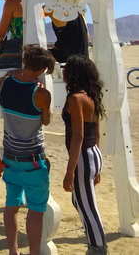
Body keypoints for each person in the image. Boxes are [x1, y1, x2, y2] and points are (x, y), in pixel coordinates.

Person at [0, 44, 54, 255]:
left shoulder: (5, 82)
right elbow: (46, 121)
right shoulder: (41, 94)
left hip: (10, 159)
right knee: (36, 212)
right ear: (42, 69)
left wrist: (7, 77)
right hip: (33, 161)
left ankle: (13, 252)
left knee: (11, 207)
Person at [62, 55, 107, 254]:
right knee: (79, 200)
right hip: (94, 153)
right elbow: (95, 131)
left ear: (72, 74)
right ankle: (94, 239)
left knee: (87, 207)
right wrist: (97, 168)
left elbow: (78, 136)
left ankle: (97, 247)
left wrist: (70, 171)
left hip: (83, 157)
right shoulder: (90, 95)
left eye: (66, 69)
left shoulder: (75, 98)